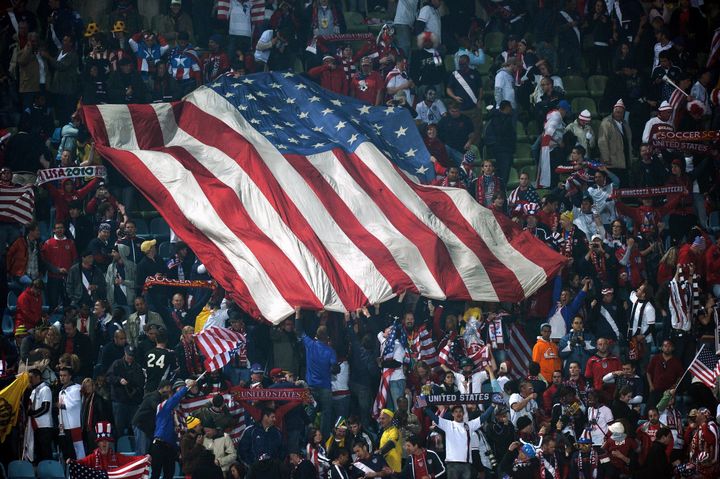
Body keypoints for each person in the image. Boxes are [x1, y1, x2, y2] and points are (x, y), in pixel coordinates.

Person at [150, 378, 196, 479]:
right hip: (159, 445)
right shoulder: (162, 406)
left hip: (171, 447)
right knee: (155, 474)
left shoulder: (175, 413)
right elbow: (175, 399)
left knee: (169, 475)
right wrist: (187, 387)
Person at [106, 345, 145, 438]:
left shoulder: (137, 366)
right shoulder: (117, 364)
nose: (130, 359)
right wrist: (119, 380)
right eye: (128, 356)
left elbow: (141, 382)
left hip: (133, 402)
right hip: (119, 401)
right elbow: (108, 377)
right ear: (125, 353)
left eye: (132, 357)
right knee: (119, 428)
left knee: (134, 427)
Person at [74, 421, 142, 469]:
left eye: (106, 441)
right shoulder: (92, 458)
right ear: (98, 443)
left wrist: (144, 458)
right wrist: (72, 462)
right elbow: (80, 463)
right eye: (102, 441)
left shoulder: (117, 457)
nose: (104, 443)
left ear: (109, 443)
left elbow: (131, 459)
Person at [58, 366, 85, 460]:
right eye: (60, 375)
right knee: (67, 453)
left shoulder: (76, 388)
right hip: (64, 427)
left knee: (78, 451)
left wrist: (61, 406)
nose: (62, 377)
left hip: (74, 425)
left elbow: (75, 405)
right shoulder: (61, 391)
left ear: (70, 376)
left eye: (64, 375)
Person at [27, 368, 53, 463]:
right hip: (35, 426)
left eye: (31, 377)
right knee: (39, 452)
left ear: (38, 377)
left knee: (46, 452)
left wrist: (32, 414)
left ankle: (50, 473)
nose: (30, 380)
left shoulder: (45, 389)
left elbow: (45, 408)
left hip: (44, 426)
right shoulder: (33, 391)